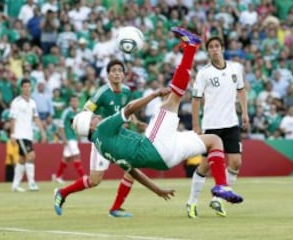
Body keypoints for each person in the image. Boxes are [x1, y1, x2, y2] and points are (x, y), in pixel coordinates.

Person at [54, 28, 243, 216]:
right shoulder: (102, 128)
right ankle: (191, 46)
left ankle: (221, 186)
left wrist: (157, 190)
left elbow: (134, 172)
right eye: (94, 117)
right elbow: (128, 109)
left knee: (214, 141)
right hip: (155, 145)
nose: (97, 116)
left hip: (166, 159)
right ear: (91, 125)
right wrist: (153, 95)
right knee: (173, 97)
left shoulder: (103, 148)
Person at [187, 36, 249, 218]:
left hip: (231, 123)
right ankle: (192, 202)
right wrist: (196, 125)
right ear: (208, 51)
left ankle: (218, 200)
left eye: (217, 46)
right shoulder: (204, 73)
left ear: (222, 48)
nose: (214, 49)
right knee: (205, 166)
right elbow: (196, 99)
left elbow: (241, 90)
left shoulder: (235, 68)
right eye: (211, 47)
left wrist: (244, 113)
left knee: (236, 162)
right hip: (211, 126)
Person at [81, 59, 145, 218]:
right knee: (94, 181)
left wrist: (136, 123)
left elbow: (129, 109)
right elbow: (86, 110)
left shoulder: (126, 91)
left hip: (119, 137)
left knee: (133, 169)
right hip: (103, 138)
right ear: (108, 75)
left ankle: (115, 208)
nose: (117, 73)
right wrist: (103, 123)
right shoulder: (102, 92)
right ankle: (62, 193)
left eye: (119, 70)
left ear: (123, 74)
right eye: (113, 71)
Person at [10, 79, 46, 192]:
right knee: (31, 155)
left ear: (31, 88)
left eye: (28, 86)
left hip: (28, 135)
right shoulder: (16, 102)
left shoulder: (32, 102)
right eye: (24, 86)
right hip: (20, 135)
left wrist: (43, 131)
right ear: (21, 88)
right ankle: (31, 183)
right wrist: (12, 134)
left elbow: (36, 118)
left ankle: (15, 185)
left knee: (21, 159)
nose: (27, 88)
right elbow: (12, 119)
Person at [53, 95, 84, 184]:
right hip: (69, 137)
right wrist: (64, 138)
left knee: (66, 158)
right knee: (77, 155)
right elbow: (61, 126)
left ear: (78, 102)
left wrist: (79, 136)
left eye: (76, 101)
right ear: (70, 103)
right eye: (73, 101)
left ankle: (58, 176)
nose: (74, 103)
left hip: (74, 137)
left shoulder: (79, 112)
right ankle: (82, 177)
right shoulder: (66, 112)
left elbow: (79, 125)